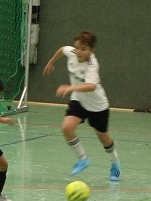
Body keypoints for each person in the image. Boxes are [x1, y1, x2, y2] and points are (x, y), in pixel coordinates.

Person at [43, 30, 121, 181]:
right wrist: (51, 62)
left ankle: (115, 164)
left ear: (91, 50)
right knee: (67, 128)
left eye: (84, 49)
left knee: (104, 138)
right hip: (79, 101)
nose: (79, 51)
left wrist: (70, 88)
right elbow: (62, 49)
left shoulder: (92, 65)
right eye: (77, 47)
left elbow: (91, 86)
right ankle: (83, 159)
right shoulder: (72, 52)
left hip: (97, 105)